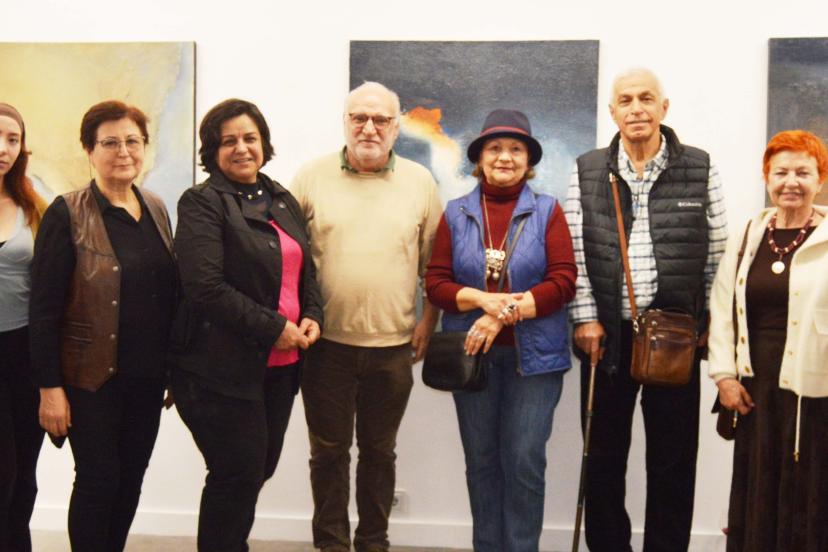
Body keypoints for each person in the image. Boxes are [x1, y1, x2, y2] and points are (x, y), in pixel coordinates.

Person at [564, 68, 728, 551]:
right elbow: (574, 250)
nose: (636, 108)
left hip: (675, 335)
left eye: (646, 98)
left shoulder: (699, 167)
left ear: (663, 107)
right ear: (612, 112)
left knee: (673, 462)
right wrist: (585, 318)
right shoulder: (587, 168)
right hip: (606, 338)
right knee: (602, 459)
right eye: (626, 100)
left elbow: (719, 255)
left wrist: (707, 323)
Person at [291, 81, 442, 552]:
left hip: (393, 348)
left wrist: (428, 322)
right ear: (345, 122)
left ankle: (373, 541)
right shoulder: (310, 177)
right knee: (328, 453)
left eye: (380, 119)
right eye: (359, 117)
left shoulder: (420, 182)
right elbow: (287, 259)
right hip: (325, 346)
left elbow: (434, 265)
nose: (369, 128)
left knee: (380, 453)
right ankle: (331, 543)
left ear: (396, 127)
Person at [171, 98, 323, 552]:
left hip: (280, 366)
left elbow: (306, 270)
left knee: (258, 469)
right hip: (218, 368)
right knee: (236, 473)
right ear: (212, 150)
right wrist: (275, 327)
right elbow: (205, 287)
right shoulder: (202, 202)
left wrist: (312, 314)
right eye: (228, 141)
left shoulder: (282, 198)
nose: (241, 148)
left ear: (264, 143)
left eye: (250, 138)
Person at [425, 109, 576, 551]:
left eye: (515, 149)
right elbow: (435, 284)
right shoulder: (456, 214)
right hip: (472, 358)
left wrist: (502, 312)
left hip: (536, 362)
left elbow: (563, 281)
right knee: (481, 461)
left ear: (528, 160)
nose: (504, 157)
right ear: (480, 158)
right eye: (494, 148)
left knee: (524, 461)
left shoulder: (548, 211)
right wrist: (482, 299)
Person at [29, 100, 176, 551]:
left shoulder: (155, 207)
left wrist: (175, 368)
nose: (123, 151)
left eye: (132, 141)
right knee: (98, 479)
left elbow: (169, 295)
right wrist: (49, 389)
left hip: (148, 377)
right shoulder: (67, 213)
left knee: (131, 477)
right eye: (110, 142)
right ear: (89, 151)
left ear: (144, 146)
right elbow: (44, 309)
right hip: (90, 379)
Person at [708, 130, 828, 551]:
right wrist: (724, 376)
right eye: (781, 172)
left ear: (820, 180)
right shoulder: (748, 234)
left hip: (816, 387)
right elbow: (722, 306)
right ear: (767, 178)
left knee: (811, 483)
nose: (791, 182)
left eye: (803, 173)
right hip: (754, 384)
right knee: (758, 481)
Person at [0, 103, 47, 552]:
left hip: (23, 353)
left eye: (13, 139)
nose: (4, 148)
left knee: (23, 473)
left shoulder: (35, 206)